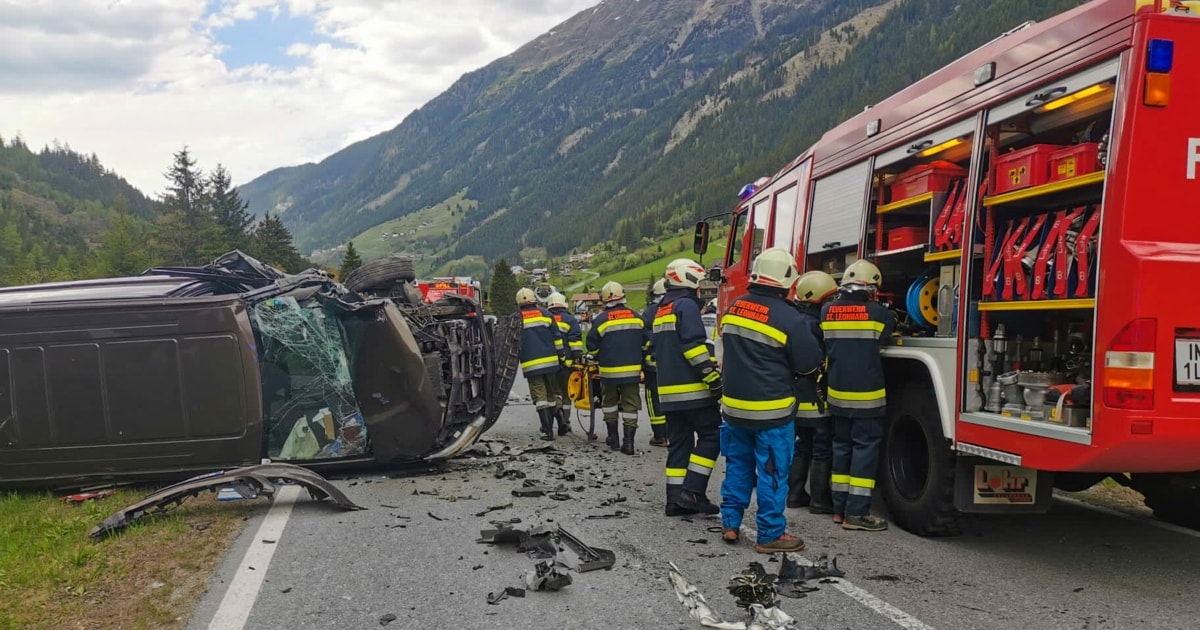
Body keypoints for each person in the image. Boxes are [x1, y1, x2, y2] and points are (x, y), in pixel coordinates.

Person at [718, 248, 823, 553]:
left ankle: (730, 524)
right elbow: (807, 364)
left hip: (734, 409)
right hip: (771, 413)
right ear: (788, 279)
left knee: (737, 465)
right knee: (773, 472)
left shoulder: (735, 306)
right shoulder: (789, 317)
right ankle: (770, 534)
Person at [821, 259, 895, 531]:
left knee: (841, 447)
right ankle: (857, 514)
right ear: (872, 287)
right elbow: (889, 334)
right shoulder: (878, 313)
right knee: (864, 450)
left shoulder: (827, 311)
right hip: (867, 398)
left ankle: (839, 508)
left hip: (838, 395)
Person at [653, 259, 722, 516]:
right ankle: (692, 492)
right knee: (712, 436)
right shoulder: (686, 306)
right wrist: (712, 379)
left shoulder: (663, 308)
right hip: (693, 391)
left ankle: (674, 500)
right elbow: (693, 347)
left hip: (669, 394)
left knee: (679, 444)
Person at [788, 271, 839, 515]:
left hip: (797, 399)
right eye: (830, 298)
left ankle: (795, 493)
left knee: (801, 445)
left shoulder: (795, 320)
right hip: (816, 399)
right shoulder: (814, 325)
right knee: (821, 447)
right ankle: (820, 499)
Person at [585, 282, 646, 454]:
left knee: (609, 403)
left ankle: (614, 439)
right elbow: (647, 341)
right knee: (630, 405)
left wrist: (597, 355)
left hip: (609, 372)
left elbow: (592, 346)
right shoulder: (636, 317)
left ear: (604, 300)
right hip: (632, 371)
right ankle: (629, 444)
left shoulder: (601, 320)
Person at [517, 287, 565, 441]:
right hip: (551, 362)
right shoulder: (546, 314)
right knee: (551, 395)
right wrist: (561, 356)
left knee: (540, 398)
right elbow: (557, 338)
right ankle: (562, 422)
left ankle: (548, 431)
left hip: (531, 365)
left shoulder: (516, 318)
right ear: (534, 300)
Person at [547, 291, 582, 436]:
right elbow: (575, 342)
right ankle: (566, 422)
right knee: (567, 394)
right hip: (567, 364)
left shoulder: (546, 318)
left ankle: (555, 418)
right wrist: (577, 357)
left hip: (550, 364)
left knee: (554, 393)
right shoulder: (570, 320)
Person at [641, 278, 669, 447]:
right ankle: (674, 433)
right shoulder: (679, 308)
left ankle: (660, 436)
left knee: (654, 398)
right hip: (674, 365)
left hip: (653, 365)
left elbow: (643, 338)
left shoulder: (650, 312)